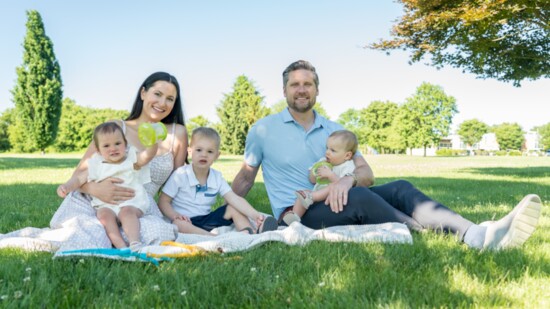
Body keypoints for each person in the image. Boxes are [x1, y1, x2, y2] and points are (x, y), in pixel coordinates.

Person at [231, 60, 542, 250]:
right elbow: (246, 177)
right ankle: (458, 236)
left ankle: (475, 232)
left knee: (400, 188)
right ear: (284, 90)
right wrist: (224, 211)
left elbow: (367, 174)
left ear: (316, 90)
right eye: (294, 84)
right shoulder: (263, 130)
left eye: (308, 84)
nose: (301, 89)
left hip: (341, 197)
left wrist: (347, 180)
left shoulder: (337, 130)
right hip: (300, 213)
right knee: (362, 199)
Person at [50, 71, 189, 249]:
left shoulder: (177, 133)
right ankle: (116, 241)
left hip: (138, 208)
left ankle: (129, 242)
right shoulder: (115, 128)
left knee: (157, 233)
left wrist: (181, 216)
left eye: (170, 99)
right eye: (158, 94)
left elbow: (179, 183)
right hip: (99, 203)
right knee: (91, 233)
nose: (162, 103)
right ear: (143, 93)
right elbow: (81, 173)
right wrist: (97, 189)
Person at [57, 122, 162, 250]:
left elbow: (147, 156)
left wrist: (153, 143)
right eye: (106, 145)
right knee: (104, 216)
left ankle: (135, 243)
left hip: (131, 202)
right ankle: (121, 247)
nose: (113, 148)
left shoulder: (131, 160)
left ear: (125, 144)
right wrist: (66, 187)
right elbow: (79, 179)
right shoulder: (96, 165)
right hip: (107, 205)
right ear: (98, 149)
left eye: (117, 143)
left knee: (126, 213)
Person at [158, 127, 278, 235]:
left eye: (210, 151)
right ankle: (212, 238)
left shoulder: (216, 177)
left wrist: (255, 215)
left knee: (232, 207)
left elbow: (234, 198)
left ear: (217, 155)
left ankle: (248, 232)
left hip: (207, 219)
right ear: (189, 151)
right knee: (177, 224)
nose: (204, 154)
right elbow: (163, 202)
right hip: (185, 221)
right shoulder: (180, 174)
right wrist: (176, 215)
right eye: (199, 150)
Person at [283, 130, 357, 225]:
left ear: (347, 155)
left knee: (333, 186)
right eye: (327, 148)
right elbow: (312, 180)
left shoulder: (348, 166)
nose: (327, 152)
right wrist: (316, 173)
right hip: (313, 199)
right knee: (302, 196)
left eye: (333, 150)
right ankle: (295, 217)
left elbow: (343, 185)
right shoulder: (323, 161)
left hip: (333, 199)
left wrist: (330, 175)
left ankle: (311, 197)